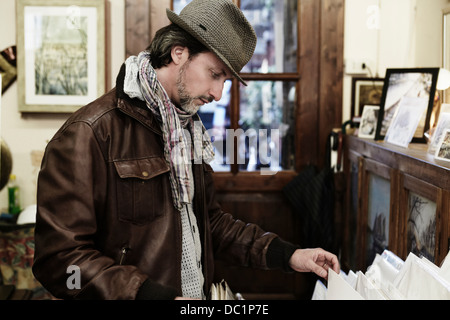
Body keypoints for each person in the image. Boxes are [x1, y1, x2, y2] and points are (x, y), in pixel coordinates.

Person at [32, 0, 339, 300]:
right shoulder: (89, 132)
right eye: (215, 74)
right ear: (179, 53)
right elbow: (60, 262)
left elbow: (209, 223)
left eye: (225, 80)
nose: (218, 93)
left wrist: (289, 254)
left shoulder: (187, 128)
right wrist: (146, 294)